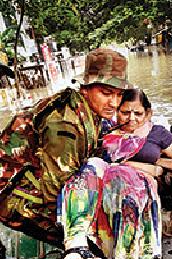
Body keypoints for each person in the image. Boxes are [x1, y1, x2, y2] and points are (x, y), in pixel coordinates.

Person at [59, 89, 172, 259]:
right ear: (117, 112)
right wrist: (150, 166)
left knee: (123, 175)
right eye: (125, 112)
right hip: (105, 189)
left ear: (148, 114)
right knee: (92, 166)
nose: (131, 119)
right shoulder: (104, 130)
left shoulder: (157, 133)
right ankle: (76, 241)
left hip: (136, 191)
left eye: (138, 113)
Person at [0, 48, 128, 244]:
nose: (114, 102)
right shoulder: (65, 124)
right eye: (106, 93)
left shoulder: (88, 111)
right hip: (12, 198)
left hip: (33, 181)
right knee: (100, 233)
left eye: (119, 95)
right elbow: (56, 191)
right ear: (85, 88)